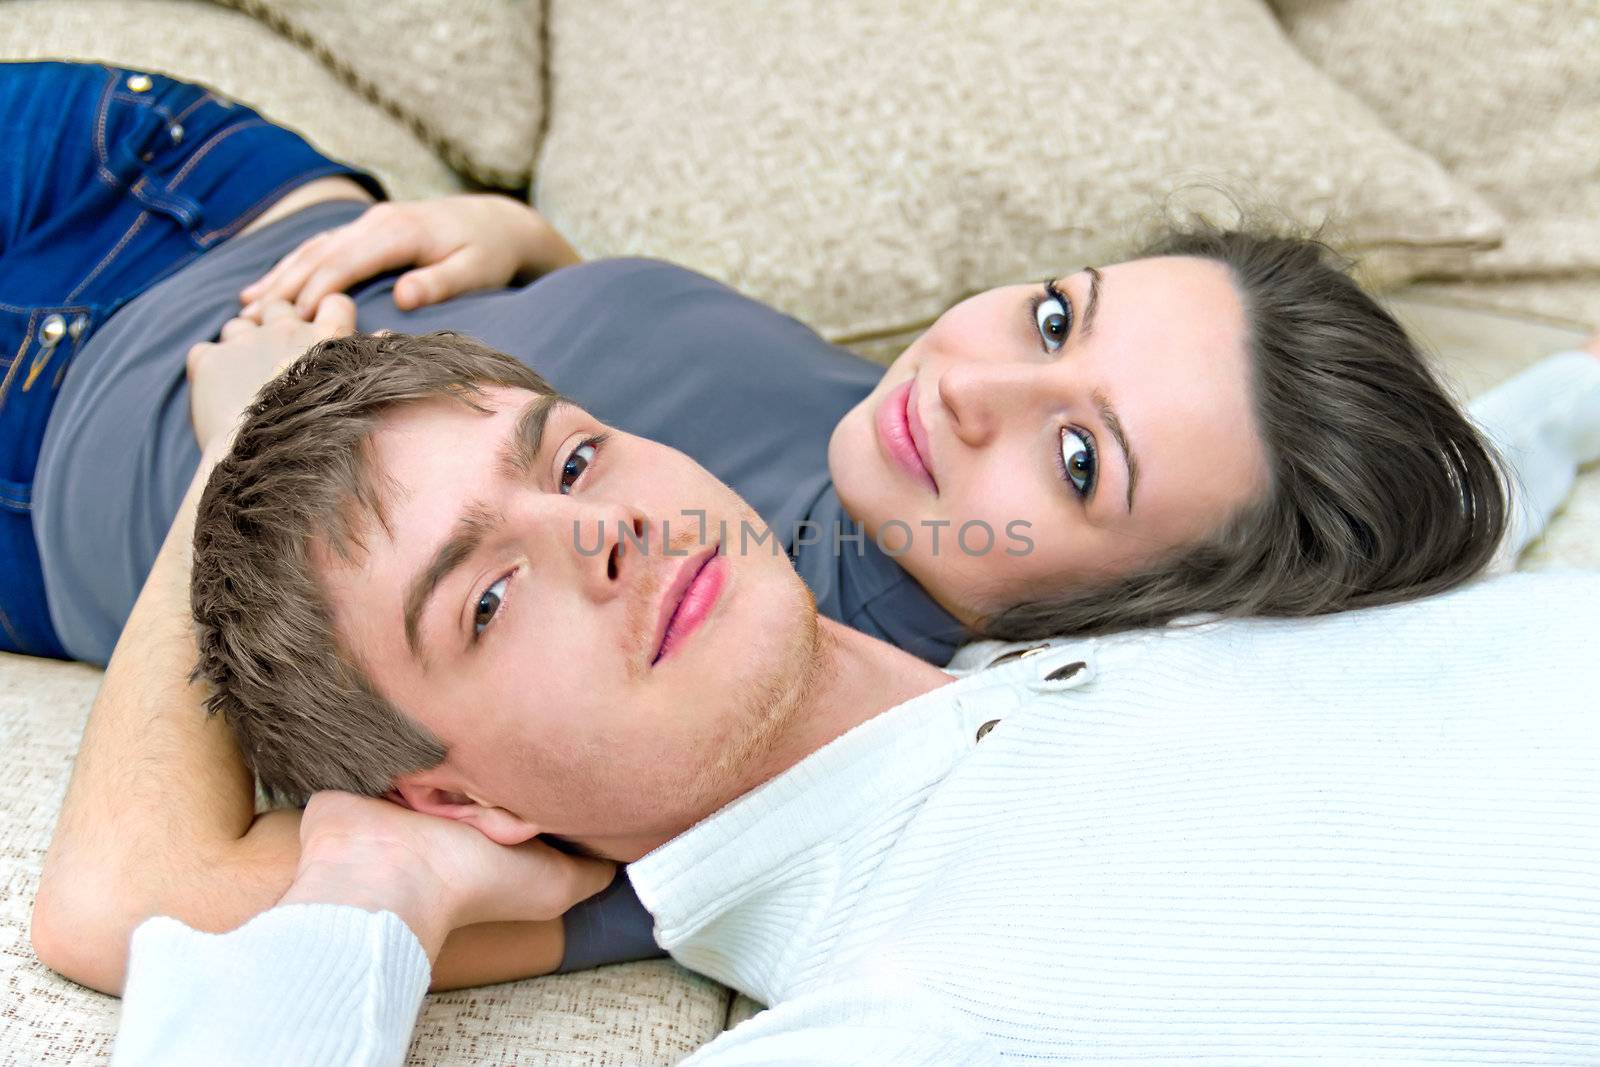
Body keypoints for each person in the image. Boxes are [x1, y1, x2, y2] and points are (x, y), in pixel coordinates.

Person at [56, 331, 1600, 1065]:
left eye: (574, 458)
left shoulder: (1107, 607)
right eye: (487, 593)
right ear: (462, 798)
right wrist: (363, 900)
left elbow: (1465, 473)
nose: (602, 531)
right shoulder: (906, 1005)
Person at [10, 60, 1594, 675]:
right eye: (1056, 318)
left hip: (45, 464)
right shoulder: (889, 455)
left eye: (1078, 458)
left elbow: (231, 877)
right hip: (192, 188)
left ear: (1146, 614)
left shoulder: (768, 689)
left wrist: (246, 454)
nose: (978, 382)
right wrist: (517, 236)